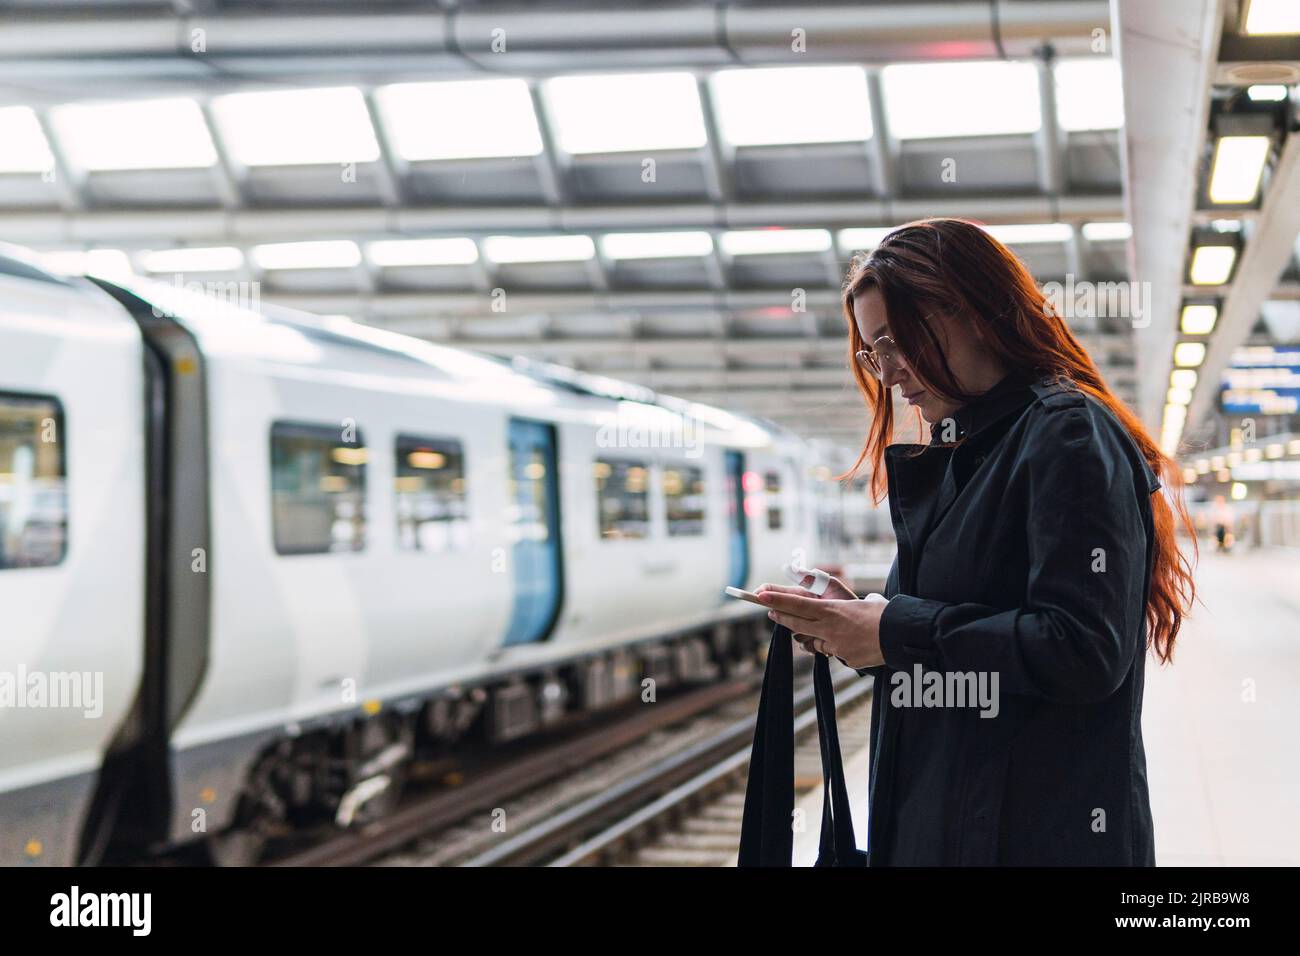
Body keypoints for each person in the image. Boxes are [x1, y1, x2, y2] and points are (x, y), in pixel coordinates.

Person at [754, 218, 1197, 866]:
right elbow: (964, 629)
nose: (888, 372)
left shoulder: (1065, 435)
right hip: (960, 829)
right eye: (872, 353)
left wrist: (895, 631)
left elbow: (1084, 650)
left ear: (976, 312)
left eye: (896, 341)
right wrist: (861, 624)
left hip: (1034, 840)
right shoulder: (970, 451)